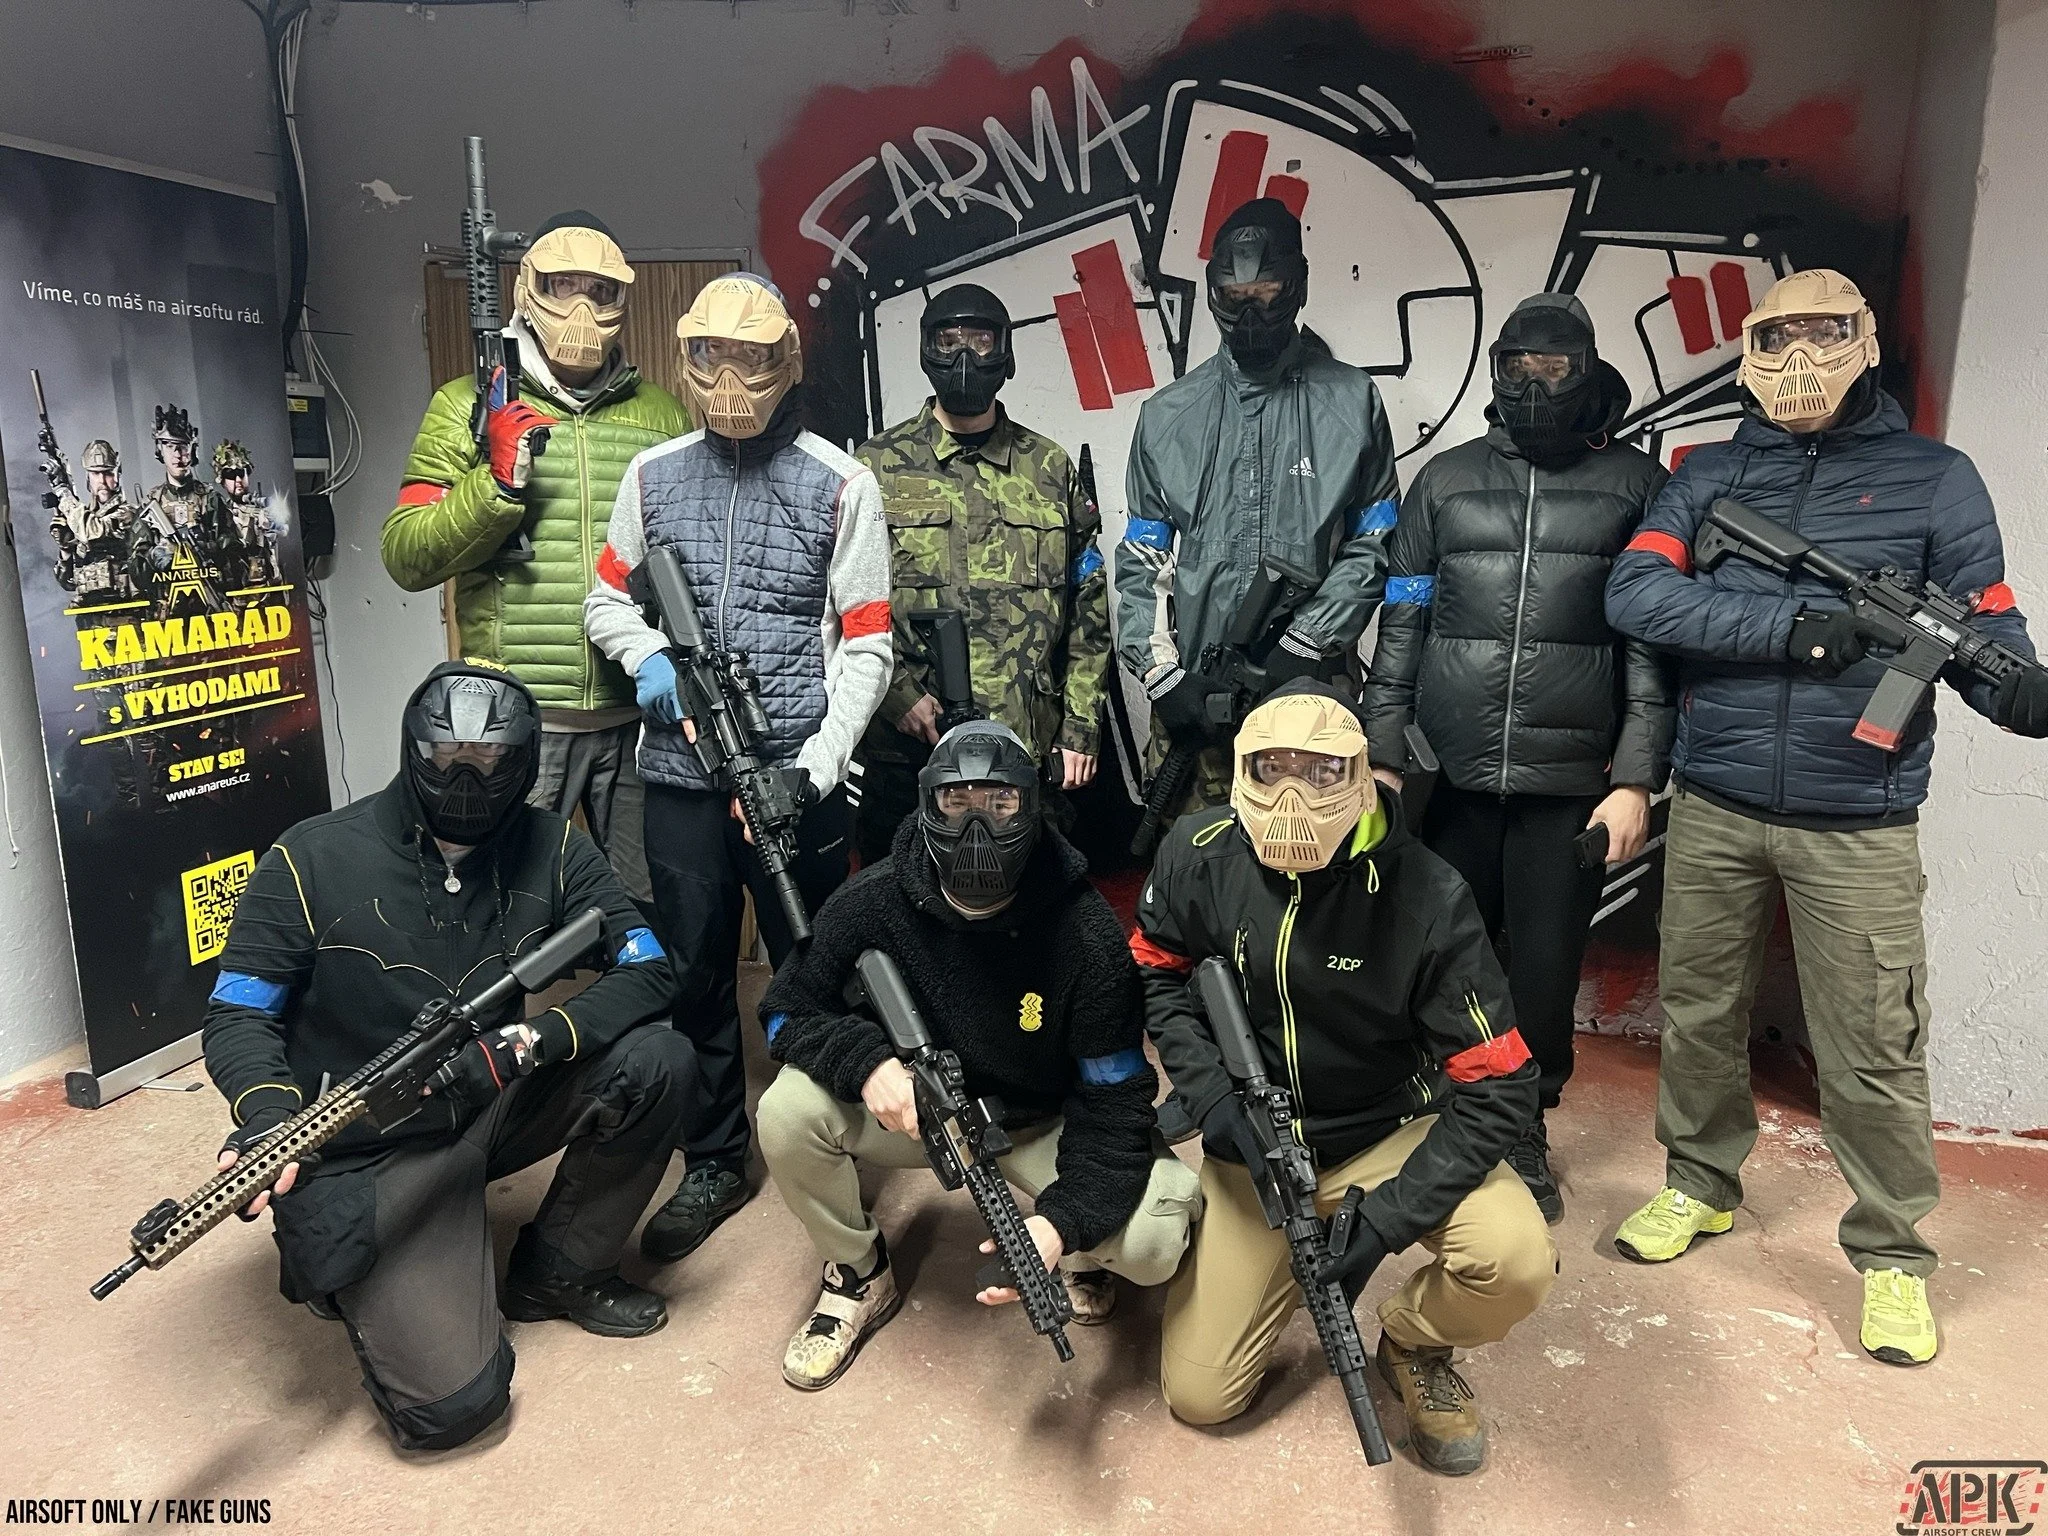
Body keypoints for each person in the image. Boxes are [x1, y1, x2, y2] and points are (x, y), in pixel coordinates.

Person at [1604, 268, 2048, 1367]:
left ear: (1860, 342)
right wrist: (1796, 630)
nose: (1799, 357)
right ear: (1748, 347)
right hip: (1713, 798)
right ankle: (1698, 1183)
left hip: (1859, 815)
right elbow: (1636, 594)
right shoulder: (1705, 474)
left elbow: (1986, 625)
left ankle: (1891, 1254)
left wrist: (2015, 686)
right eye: (1776, 335)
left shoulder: (1935, 480)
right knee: (1700, 1010)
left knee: (1872, 1043)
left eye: (1823, 333)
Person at [200, 659, 694, 1452]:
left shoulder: (557, 850)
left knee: (660, 1060)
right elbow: (237, 1015)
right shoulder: (311, 857)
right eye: (443, 757)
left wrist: (526, 1041)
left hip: (485, 1093)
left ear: (526, 761)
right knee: (451, 1411)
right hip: (366, 1143)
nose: (464, 778)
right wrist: (266, 1114)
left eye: (491, 761)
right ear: (411, 749)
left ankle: (559, 1270)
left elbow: (648, 967)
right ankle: (367, 1254)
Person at [1133, 683, 1556, 1476]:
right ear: (1237, 773)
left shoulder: (1428, 896)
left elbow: (1500, 1085)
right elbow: (1159, 972)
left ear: (1363, 777)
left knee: (1514, 1259)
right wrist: (1212, 1094)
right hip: (1256, 1143)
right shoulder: (1196, 853)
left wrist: (1387, 1222)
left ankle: (1413, 1341)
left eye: (1322, 772)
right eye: (1273, 768)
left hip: (1392, 1127)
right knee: (1201, 1396)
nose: (1295, 793)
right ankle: (1239, 1256)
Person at [584, 271, 893, 1266]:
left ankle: (828, 1135)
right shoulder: (650, 475)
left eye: (749, 357)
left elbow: (868, 645)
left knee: (815, 962)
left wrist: (811, 768)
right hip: (678, 777)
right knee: (695, 969)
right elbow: (605, 603)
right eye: (709, 356)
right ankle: (713, 1155)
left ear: (784, 362)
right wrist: (649, 658)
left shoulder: (841, 482)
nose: (727, 378)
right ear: (684, 358)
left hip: (793, 774)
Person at [753, 720, 1201, 1387]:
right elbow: (784, 1009)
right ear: (927, 802)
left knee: (1155, 1237)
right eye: (956, 804)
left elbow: (1115, 1105)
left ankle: (1078, 1253)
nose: (977, 828)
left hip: (1038, 1123)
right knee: (787, 1109)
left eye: (1000, 804)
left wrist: (1060, 1223)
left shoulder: (1087, 936)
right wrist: (868, 1062)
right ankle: (857, 1272)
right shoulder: (872, 899)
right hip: (917, 1114)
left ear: (1032, 803)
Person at [1360, 293, 1675, 1223]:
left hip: (1571, 790)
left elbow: (1653, 647)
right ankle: (1450, 1110)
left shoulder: (1635, 487)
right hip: (1451, 778)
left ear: (1587, 371)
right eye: (1517, 369)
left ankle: (1522, 1126)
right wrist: (1384, 753)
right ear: (1496, 371)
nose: (1535, 387)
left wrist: (1634, 779)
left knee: (1541, 970)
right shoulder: (1445, 483)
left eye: (1555, 370)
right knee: (1441, 961)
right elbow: (1403, 624)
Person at [383, 211, 689, 906]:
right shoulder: (466, 407)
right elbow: (406, 556)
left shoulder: (662, 416)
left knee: (647, 918)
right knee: (496, 915)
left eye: (601, 291)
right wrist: (491, 487)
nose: (582, 308)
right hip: (514, 725)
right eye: (563, 286)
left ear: (624, 299)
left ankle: (632, 1020)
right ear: (528, 290)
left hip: (639, 720)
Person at [1114, 197, 1399, 815]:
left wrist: (1305, 640)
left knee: (1318, 879)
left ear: (1297, 287)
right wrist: (1164, 678)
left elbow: (1377, 540)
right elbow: (1141, 559)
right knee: (1194, 880)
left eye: (1267, 291)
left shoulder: (1351, 402)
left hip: (1313, 700)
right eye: (1232, 294)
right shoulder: (1166, 416)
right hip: (1199, 698)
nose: (1250, 311)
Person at [851, 284, 1110, 862]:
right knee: (901, 918)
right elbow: (846, 599)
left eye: (980, 340)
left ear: (1005, 352)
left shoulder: (1049, 468)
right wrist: (899, 697)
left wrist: (1080, 727)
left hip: (1027, 746)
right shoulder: (875, 467)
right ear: (926, 351)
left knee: (1026, 927)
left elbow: (1088, 608)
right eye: (948, 340)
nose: (964, 356)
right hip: (910, 748)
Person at [130, 403, 226, 617]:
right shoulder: (150, 504)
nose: (177, 453)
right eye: (169, 445)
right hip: (167, 614)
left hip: (209, 608)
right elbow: (136, 570)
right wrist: (156, 555)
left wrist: (209, 548)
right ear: (160, 450)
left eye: (183, 445)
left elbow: (234, 557)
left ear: (192, 450)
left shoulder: (210, 499)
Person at [50, 438, 135, 602]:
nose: (102, 481)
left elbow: (93, 531)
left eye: (108, 473)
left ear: (118, 474)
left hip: (126, 608)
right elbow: (67, 583)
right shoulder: (81, 517)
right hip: (91, 612)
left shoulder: (128, 512)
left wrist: (64, 494)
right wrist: (65, 549)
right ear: (88, 477)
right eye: (96, 473)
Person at [210, 439, 277, 590]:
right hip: (231, 586)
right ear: (222, 480)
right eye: (231, 474)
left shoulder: (259, 507)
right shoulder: (218, 512)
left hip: (262, 583)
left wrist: (265, 532)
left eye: (241, 473)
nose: (238, 480)